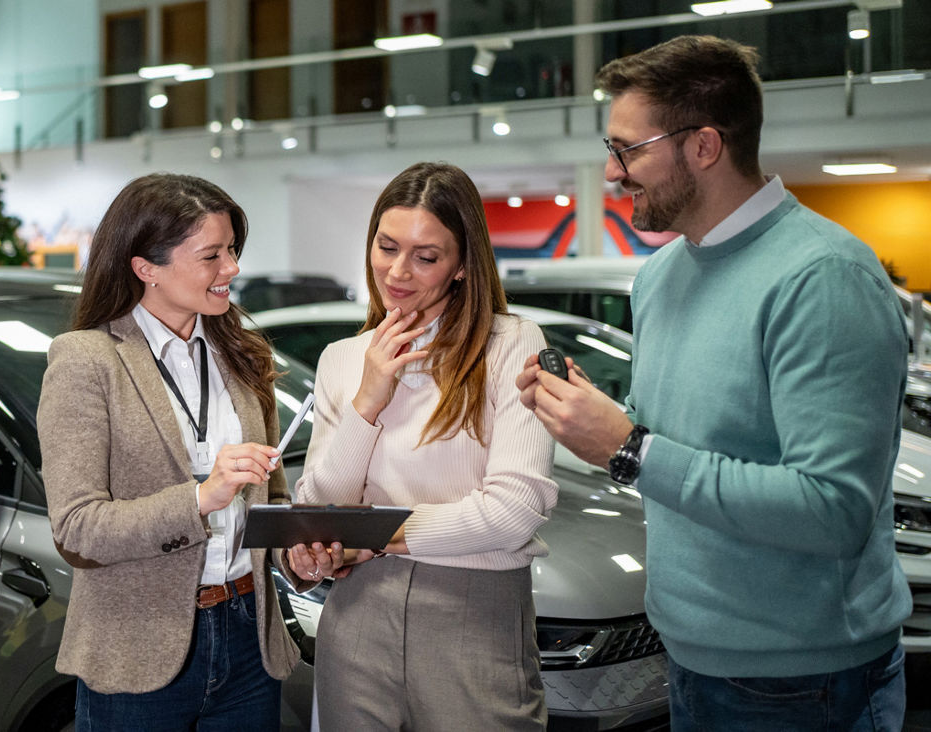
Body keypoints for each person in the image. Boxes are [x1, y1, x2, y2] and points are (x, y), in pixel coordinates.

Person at [516, 35, 912, 730]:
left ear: (703, 146)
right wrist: (598, 423)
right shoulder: (664, 275)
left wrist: (631, 446)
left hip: (806, 681)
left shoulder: (823, 279)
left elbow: (833, 510)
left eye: (628, 150)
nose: (612, 173)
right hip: (689, 658)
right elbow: (680, 443)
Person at [37, 173, 340, 731]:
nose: (232, 269)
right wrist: (202, 497)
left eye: (231, 250)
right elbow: (77, 530)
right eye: (212, 255)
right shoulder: (86, 362)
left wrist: (292, 556)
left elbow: (265, 498)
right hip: (136, 646)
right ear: (145, 267)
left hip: (250, 636)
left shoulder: (242, 355)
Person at [296, 161, 558, 730]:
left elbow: (514, 511)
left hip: (474, 614)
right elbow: (319, 506)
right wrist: (367, 400)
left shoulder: (510, 344)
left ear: (463, 265)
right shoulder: (343, 359)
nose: (397, 271)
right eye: (386, 246)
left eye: (426, 256)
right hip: (355, 617)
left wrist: (373, 534)